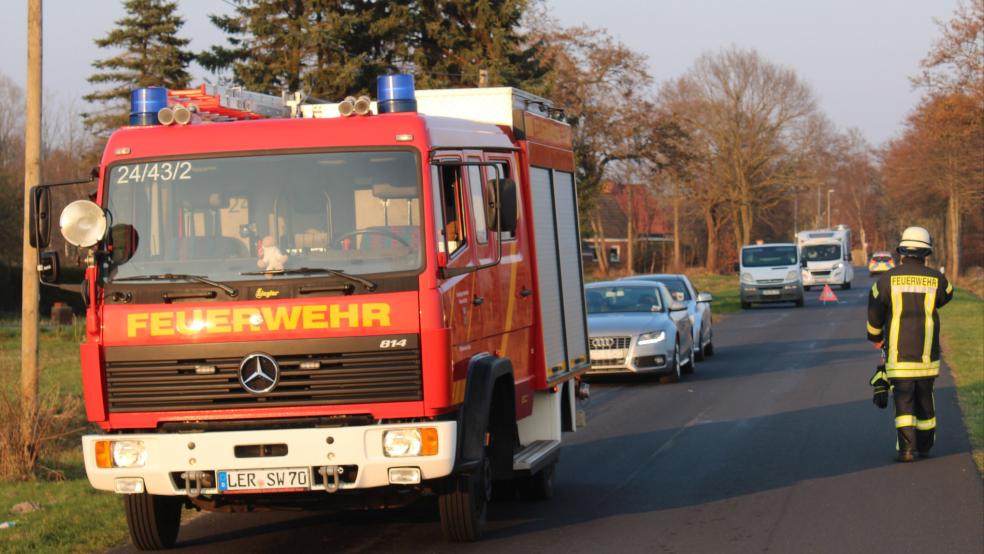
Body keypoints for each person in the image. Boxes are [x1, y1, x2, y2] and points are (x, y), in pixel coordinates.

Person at [866, 226, 953, 462]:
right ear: (926, 253)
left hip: (898, 355)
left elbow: (874, 313)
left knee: (903, 402)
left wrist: (875, 338)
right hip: (927, 357)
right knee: (925, 400)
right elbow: (947, 294)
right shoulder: (937, 279)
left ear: (902, 251)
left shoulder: (886, 279)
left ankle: (906, 450)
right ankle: (925, 446)